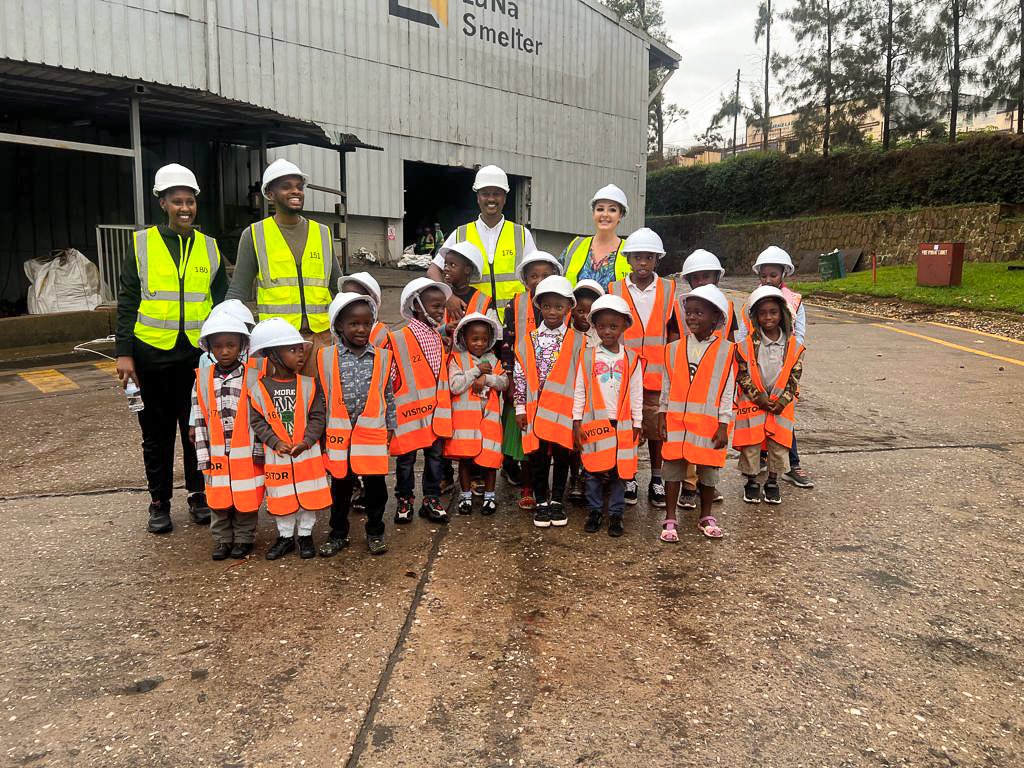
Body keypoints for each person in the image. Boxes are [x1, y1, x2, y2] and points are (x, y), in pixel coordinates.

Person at [115, 163, 226, 535]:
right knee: (156, 434)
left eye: (190, 201)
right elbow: (128, 302)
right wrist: (124, 353)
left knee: (196, 429)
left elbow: (221, 304)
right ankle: (159, 502)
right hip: (151, 356)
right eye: (177, 201)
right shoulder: (142, 244)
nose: (185, 208)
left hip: (196, 358)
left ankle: (198, 496)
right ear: (162, 203)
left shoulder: (209, 248)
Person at [226, 158, 340, 375]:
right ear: (270, 194)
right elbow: (237, 292)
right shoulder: (254, 235)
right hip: (276, 342)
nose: (295, 191)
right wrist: (227, 334)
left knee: (322, 402)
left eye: (299, 186)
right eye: (286, 187)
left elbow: (338, 288)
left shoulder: (323, 233)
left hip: (320, 340)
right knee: (282, 406)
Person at [317, 293, 396, 557]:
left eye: (366, 323)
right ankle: (338, 533)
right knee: (340, 488)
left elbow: (388, 394)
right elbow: (320, 396)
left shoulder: (382, 357)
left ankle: (375, 532)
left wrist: (390, 426)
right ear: (339, 325)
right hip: (339, 436)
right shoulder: (326, 357)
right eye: (354, 324)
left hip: (372, 435)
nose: (361, 329)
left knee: (375, 489)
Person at [247, 318, 331, 560]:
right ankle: (285, 537)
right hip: (279, 456)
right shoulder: (260, 389)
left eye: (300, 349)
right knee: (281, 499)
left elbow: (318, 416)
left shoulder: (310, 384)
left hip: (307, 454)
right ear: (273, 355)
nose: (301, 354)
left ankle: (305, 535)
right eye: (292, 350)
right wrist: (274, 442)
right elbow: (258, 421)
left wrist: (307, 441)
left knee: (309, 496)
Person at [658, 285, 736, 542]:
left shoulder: (726, 351)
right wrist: (661, 414)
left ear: (715, 318)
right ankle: (670, 518)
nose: (691, 317)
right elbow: (666, 386)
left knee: (708, 471)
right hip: (677, 424)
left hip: (708, 425)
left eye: (698, 313)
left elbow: (727, 390)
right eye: (689, 312)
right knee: (672, 470)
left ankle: (706, 515)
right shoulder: (673, 349)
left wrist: (724, 423)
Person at [608, 227, 676, 510]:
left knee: (657, 430)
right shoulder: (615, 289)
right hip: (626, 374)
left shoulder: (670, 289)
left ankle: (657, 478)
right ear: (628, 259)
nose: (643, 263)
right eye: (638, 257)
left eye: (649, 257)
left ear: (657, 260)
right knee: (629, 429)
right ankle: (630, 476)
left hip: (659, 375)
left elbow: (674, 333)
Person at [738, 246, 813, 490]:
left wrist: (790, 363)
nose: (768, 279)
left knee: (782, 422)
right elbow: (741, 334)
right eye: (764, 275)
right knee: (757, 419)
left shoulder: (794, 301)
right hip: (756, 371)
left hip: (782, 370)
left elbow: (799, 336)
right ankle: (760, 460)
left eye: (773, 274)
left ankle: (792, 464)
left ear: (784, 273)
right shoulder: (752, 301)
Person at [191, 314, 263, 560]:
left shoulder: (252, 376)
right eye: (218, 346)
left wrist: (259, 452)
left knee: (246, 497)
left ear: (242, 346)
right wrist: (204, 456)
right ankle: (223, 540)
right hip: (215, 455)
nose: (224, 351)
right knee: (218, 499)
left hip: (245, 454)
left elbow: (259, 416)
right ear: (209, 348)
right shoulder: (202, 379)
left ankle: (244, 538)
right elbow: (199, 417)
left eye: (230, 345)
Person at [514, 275, 583, 528]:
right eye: (547, 306)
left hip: (564, 412)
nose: (552, 311)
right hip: (535, 411)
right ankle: (541, 500)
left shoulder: (578, 341)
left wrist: (578, 414)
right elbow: (520, 375)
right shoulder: (528, 340)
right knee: (538, 457)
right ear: (539, 307)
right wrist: (520, 407)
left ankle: (557, 501)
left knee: (563, 456)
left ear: (568, 308)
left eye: (559, 306)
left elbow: (581, 379)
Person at [667, 248, 733, 511]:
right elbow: (673, 342)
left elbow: (731, 344)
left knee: (705, 449)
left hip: (709, 401)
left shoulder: (724, 308)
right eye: (696, 277)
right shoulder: (681, 311)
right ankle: (688, 485)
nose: (702, 281)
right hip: (682, 398)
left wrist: (724, 421)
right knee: (682, 448)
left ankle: (699, 488)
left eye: (707, 276)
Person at [572, 295, 643, 537]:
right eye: (601, 326)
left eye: (613, 326)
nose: (607, 331)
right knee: (592, 469)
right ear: (595, 326)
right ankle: (594, 510)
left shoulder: (632, 359)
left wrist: (638, 423)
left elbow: (636, 392)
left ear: (625, 326)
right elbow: (580, 389)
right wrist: (576, 421)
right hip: (594, 423)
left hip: (622, 423)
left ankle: (615, 513)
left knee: (619, 471)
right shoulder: (588, 356)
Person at [426, 165, 537, 320]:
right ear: (478, 198)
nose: (491, 199)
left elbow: (536, 274)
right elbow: (433, 270)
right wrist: (448, 297)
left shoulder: (522, 234)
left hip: (513, 320)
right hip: (475, 322)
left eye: (496, 194)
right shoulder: (461, 234)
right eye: (485, 194)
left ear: (504, 198)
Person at [498, 251, 563, 506]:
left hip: (555, 385)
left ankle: (550, 489)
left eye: (546, 275)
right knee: (524, 438)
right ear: (525, 280)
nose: (539, 280)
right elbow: (508, 344)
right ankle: (527, 487)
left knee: (551, 440)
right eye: (533, 275)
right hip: (525, 383)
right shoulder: (515, 304)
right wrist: (511, 379)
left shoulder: (563, 304)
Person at [389, 278, 453, 525]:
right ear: (417, 305)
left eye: (442, 306)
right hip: (408, 415)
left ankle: (431, 499)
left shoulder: (437, 338)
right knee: (405, 461)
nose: (440, 311)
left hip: (435, 414)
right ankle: (405, 500)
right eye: (435, 306)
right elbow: (391, 377)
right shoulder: (397, 339)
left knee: (435, 459)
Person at [734, 286, 805, 508]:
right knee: (752, 444)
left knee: (778, 444)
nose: (768, 317)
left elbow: (795, 376)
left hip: (781, 406)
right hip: (754, 404)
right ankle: (752, 481)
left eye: (773, 312)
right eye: (763, 313)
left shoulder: (794, 346)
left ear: (782, 314)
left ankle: (773, 482)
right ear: (755, 317)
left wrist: (782, 401)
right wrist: (758, 398)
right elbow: (742, 374)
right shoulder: (745, 346)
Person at [441, 312, 507, 516]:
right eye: (474, 339)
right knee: (465, 461)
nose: (479, 343)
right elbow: (454, 386)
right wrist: (476, 371)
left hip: (489, 422)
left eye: (484, 339)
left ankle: (489, 497)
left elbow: (504, 382)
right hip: (465, 424)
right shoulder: (457, 360)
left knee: (490, 461)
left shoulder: (494, 360)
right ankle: (466, 496)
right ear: (463, 339)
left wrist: (487, 379)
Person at [565, 279, 605, 501]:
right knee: (574, 441)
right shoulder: (566, 334)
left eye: (589, 312)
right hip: (572, 396)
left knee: (593, 437)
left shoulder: (601, 335)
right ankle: (575, 477)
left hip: (595, 396)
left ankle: (593, 474)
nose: (583, 316)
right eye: (579, 310)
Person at [561, 184, 632, 287]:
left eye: (612, 210)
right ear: (593, 213)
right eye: (600, 209)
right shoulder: (576, 245)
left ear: (620, 215)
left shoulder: (629, 250)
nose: (605, 214)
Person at [440, 240, 493, 335]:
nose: (446, 268)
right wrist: (445, 329)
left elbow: (491, 334)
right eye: (445, 264)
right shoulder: (441, 297)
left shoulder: (484, 301)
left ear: (467, 270)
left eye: (452, 265)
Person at [339, 272, 390, 348]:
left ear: (371, 302)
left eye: (353, 299)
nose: (346, 302)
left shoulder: (383, 337)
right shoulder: (339, 330)